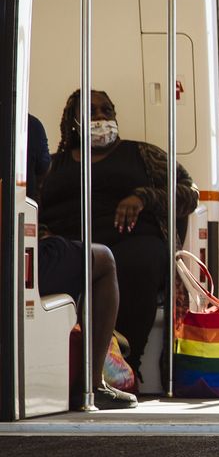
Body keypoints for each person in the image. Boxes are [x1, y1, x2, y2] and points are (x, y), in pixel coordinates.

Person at [39, 89, 199, 384]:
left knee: (139, 262)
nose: (101, 117)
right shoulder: (53, 165)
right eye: (91, 112)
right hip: (74, 244)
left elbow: (189, 194)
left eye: (106, 110)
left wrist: (144, 197)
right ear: (73, 122)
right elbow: (30, 206)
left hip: (133, 242)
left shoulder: (143, 155)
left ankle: (126, 364)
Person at [27, 113, 135, 409]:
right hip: (17, 255)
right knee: (103, 259)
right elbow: (34, 185)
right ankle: (92, 383)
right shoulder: (26, 125)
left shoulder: (140, 155)